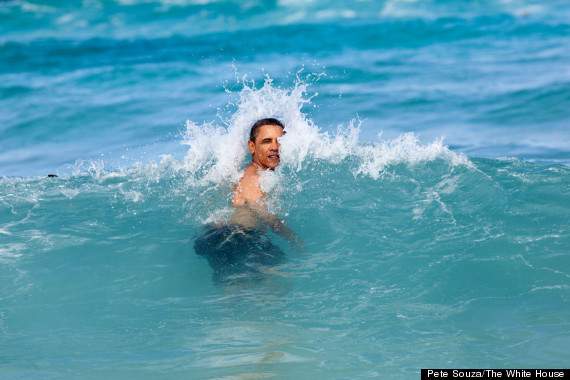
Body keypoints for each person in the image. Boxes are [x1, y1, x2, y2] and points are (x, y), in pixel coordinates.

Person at [194, 118, 302, 286]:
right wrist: (294, 239)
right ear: (252, 146)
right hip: (236, 241)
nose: (275, 146)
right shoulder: (253, 178)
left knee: (238, 296)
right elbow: (267, 217)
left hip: (225, 237)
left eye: (279, 141)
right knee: (279, 282)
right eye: (267, 141)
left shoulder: (252, 173)